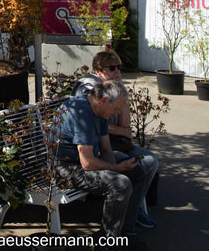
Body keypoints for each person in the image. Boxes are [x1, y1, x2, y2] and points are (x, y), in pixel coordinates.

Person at [53, 79, 148, 247]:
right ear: (104, 100)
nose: (116, 113)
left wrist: (118, 169)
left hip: (85, 161)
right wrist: (117, 169)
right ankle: (107, 241)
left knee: (137, 172)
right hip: (66, 168)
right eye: (116, 109)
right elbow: (87, 163)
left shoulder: (101, 111)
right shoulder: (81, 112)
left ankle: (125, 232)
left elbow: (106, 149)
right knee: (121, 184)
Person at [71, 50, 159, 229]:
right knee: (131, 174)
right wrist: (117, 167)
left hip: (112, 143)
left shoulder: (113, 89)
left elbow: (126, 129)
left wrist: (123, 100)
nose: (117, 72)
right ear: (98, 70)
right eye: (112, 68)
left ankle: (133, 213)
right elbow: (96, 123)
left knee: (149, 161)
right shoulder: (90, 91)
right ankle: (123, 226)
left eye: (119, 67)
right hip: (85, 154)